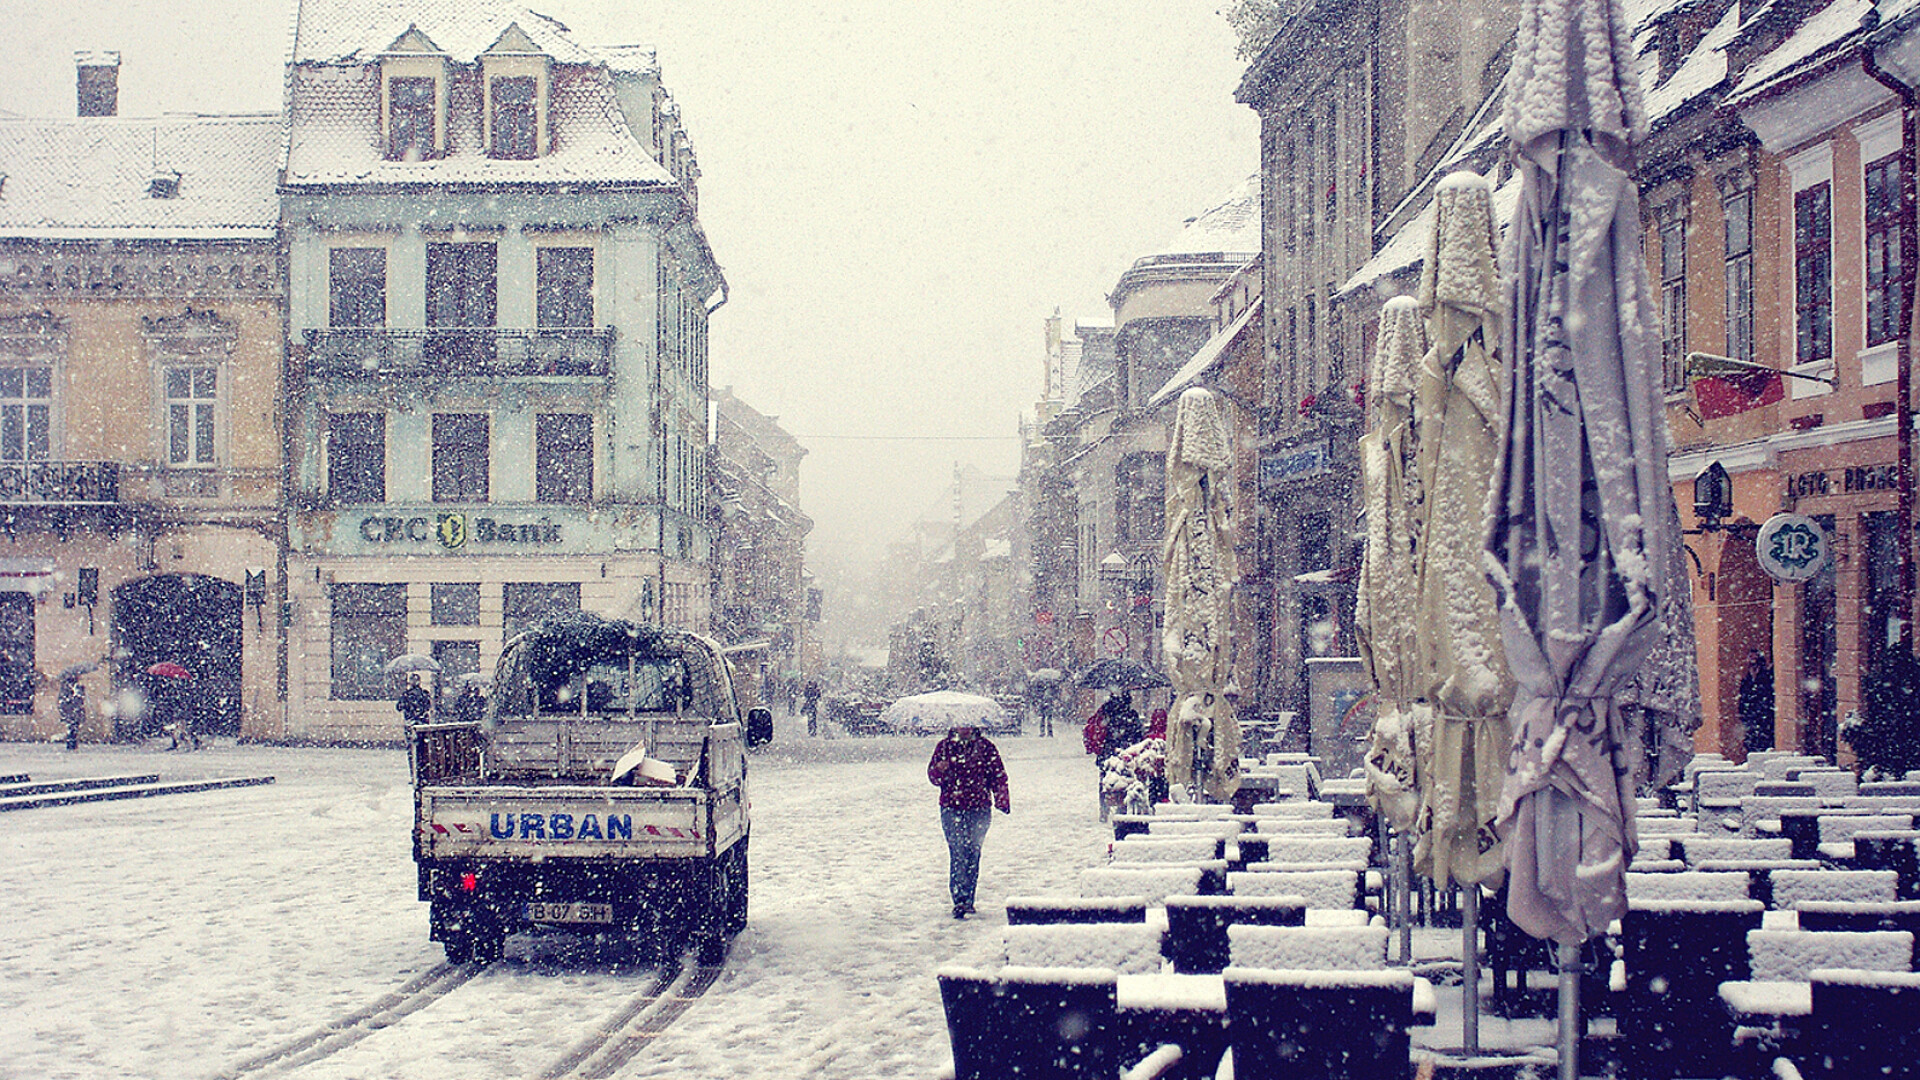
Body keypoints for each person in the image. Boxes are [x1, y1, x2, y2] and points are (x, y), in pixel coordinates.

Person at [927, 722, 1011, 918]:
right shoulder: (944, 747)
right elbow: (933, 777)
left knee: (973, 852)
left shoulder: (985, 747)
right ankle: (959, 899)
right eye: (960, 726)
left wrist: (1001, 797)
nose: (964, 730)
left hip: (979, 808)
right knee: (958, 851)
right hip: (951, 807)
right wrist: (939, 769)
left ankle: (968, 898)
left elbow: (998, 776)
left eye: (967, 726)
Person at [1738, 650, 1775, 757]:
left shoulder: (1766, 677)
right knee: (1752, 742)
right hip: (1751, 717)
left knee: (1762, 741)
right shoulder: (1747, 679)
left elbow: (1766, 694)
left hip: (1763, 717)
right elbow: (1743, 696)